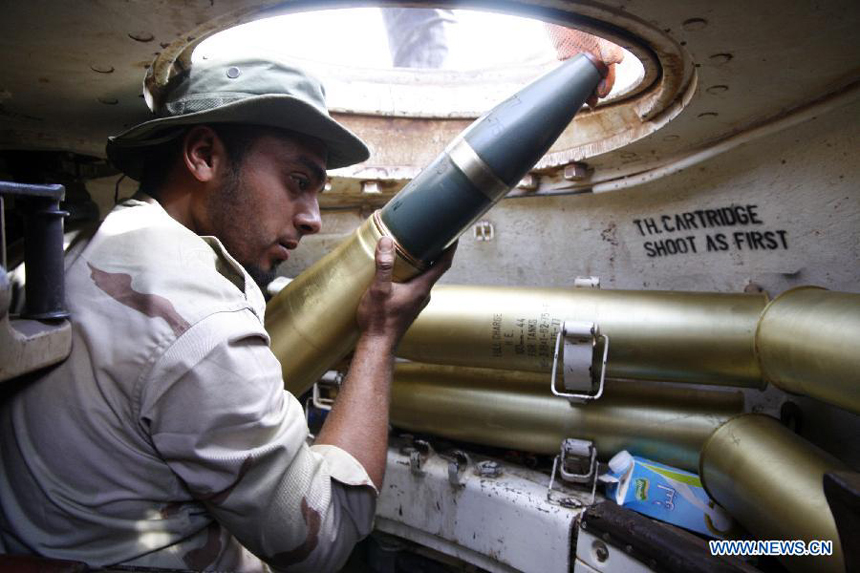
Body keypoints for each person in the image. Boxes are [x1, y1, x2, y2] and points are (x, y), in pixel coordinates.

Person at [0, 56, 454, 571]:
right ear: (204, 156)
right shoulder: (202, 320)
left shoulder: (64, 248)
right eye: (298, 180)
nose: (311, 219)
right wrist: (379, 338)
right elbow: (325, 538)